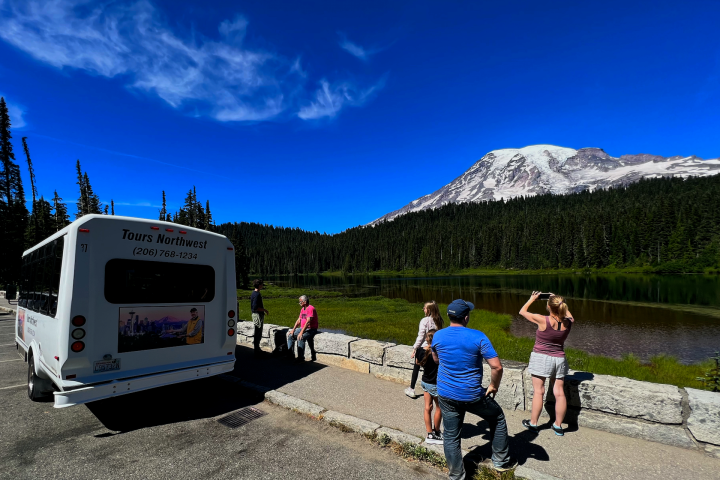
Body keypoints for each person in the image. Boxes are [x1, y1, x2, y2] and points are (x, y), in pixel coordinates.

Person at [432, 299, 516, 478]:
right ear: (466, 317)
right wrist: (493, 386)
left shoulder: (438, 336)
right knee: (497, 417)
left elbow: (436, 360)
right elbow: (497, 367)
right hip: (471, 394)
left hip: (446, 393)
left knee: (451, 435)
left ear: (448, 316)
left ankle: (456, 475)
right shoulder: (478, 336)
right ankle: (501, 461)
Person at [519, 292, 574, 436]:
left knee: (539, 391)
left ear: (549, 306)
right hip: (559, 359)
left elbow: (522, 311)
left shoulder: (543, 320)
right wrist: (558, 298)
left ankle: (534, 423)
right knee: (560, 393)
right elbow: (569, 315)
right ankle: (558, 426)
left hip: (541, 358)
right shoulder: (568, 322)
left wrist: (532, 298)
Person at [406, 301, 444, 398]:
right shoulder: (439, 320)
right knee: (435, 368)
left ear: (429, 310)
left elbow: (421, 336)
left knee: (417, 366)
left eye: (424, 308)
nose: (423, 309)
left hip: (424, 347)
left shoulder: (425, 321)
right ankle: (437, 388)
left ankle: (411, 389)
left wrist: (415, 348)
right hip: (435, 348)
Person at [415, 329, 443, 445]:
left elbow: (417, 363)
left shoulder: (420, 351)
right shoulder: (438, 353)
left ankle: (429, 433)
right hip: (435, 384)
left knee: (427, 407)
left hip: (425, 382)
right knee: (439, 408)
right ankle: (436, 432)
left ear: (427, 339)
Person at [286, 295, 318, 362]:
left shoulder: (311, 308)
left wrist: (301, 333)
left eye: (300, 302)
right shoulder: (302, 309)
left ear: (305, 302)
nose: (299, 303)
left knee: (300, 338)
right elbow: (299, 320)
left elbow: (308, 322)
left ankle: (301, 358)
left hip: (311, 329)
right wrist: (293, 330)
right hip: (302, 328)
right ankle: (290, 355)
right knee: (290, 336)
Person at [250, 279, 269, 356]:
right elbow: (255, 307)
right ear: (259, 285)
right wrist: (264, 310)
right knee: (258, 332)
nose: (262, 285)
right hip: (257, 315)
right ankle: (257, 351)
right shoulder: (257, 295)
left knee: (257, 332)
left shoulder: (254, 293)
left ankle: (257, 349)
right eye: (261, 284)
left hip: (255, 314)